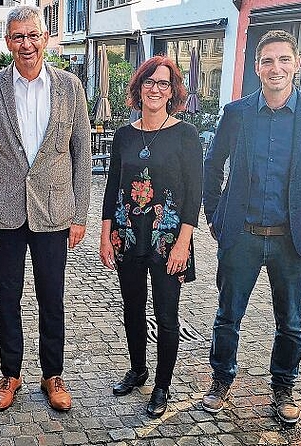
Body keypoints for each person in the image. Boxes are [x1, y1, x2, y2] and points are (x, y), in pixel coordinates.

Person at [201, 30, 301, 424]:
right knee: (227, 316)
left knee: (291, 322)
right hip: (242, 237)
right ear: (257, 67)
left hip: (292, 242)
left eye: (284, 60)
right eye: (267, 60)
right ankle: (221, 379)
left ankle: (283, 386)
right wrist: (217, 218)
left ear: (296, 65)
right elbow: (212, 167)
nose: (275, 68)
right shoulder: (236, 114)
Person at [0, 5, 91, 412]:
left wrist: (80, 214)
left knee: (51, 297)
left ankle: (52, 374)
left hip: (54, 212)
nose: (26, 44)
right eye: (18, 37)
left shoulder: (71, 87)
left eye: (33, 35)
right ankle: (11, 373)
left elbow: (82, 154)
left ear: (45, 37)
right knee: (7, 296)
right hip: (3, 212)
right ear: (7, 42)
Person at [99, 55, 202, 417]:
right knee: (132, 308)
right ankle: (138, 369)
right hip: (129, 234)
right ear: (138, 87)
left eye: (163, 84)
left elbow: (194, 193)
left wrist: (184, 242)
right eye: (149, 82)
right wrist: (105, 231)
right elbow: (113, 184)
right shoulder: (124, 135)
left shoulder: (186, 134)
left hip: (168, 237)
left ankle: (161, 385)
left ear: (173, 91)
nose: (155, 89)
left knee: (167, 314)